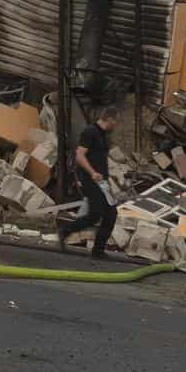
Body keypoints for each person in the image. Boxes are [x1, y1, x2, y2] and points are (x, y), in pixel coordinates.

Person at [58, 105, 120, 259]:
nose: (116, 125)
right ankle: (65, 230)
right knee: (96, 214)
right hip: (91, 180)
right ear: (110, 119)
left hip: (103, 181)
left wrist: (109, 178)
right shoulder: (90, 132)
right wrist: (92, 173)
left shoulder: (104, 135)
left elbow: (100, 158)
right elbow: (79, 155)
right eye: (116, 121)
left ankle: (98, 251)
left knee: (111, 214)